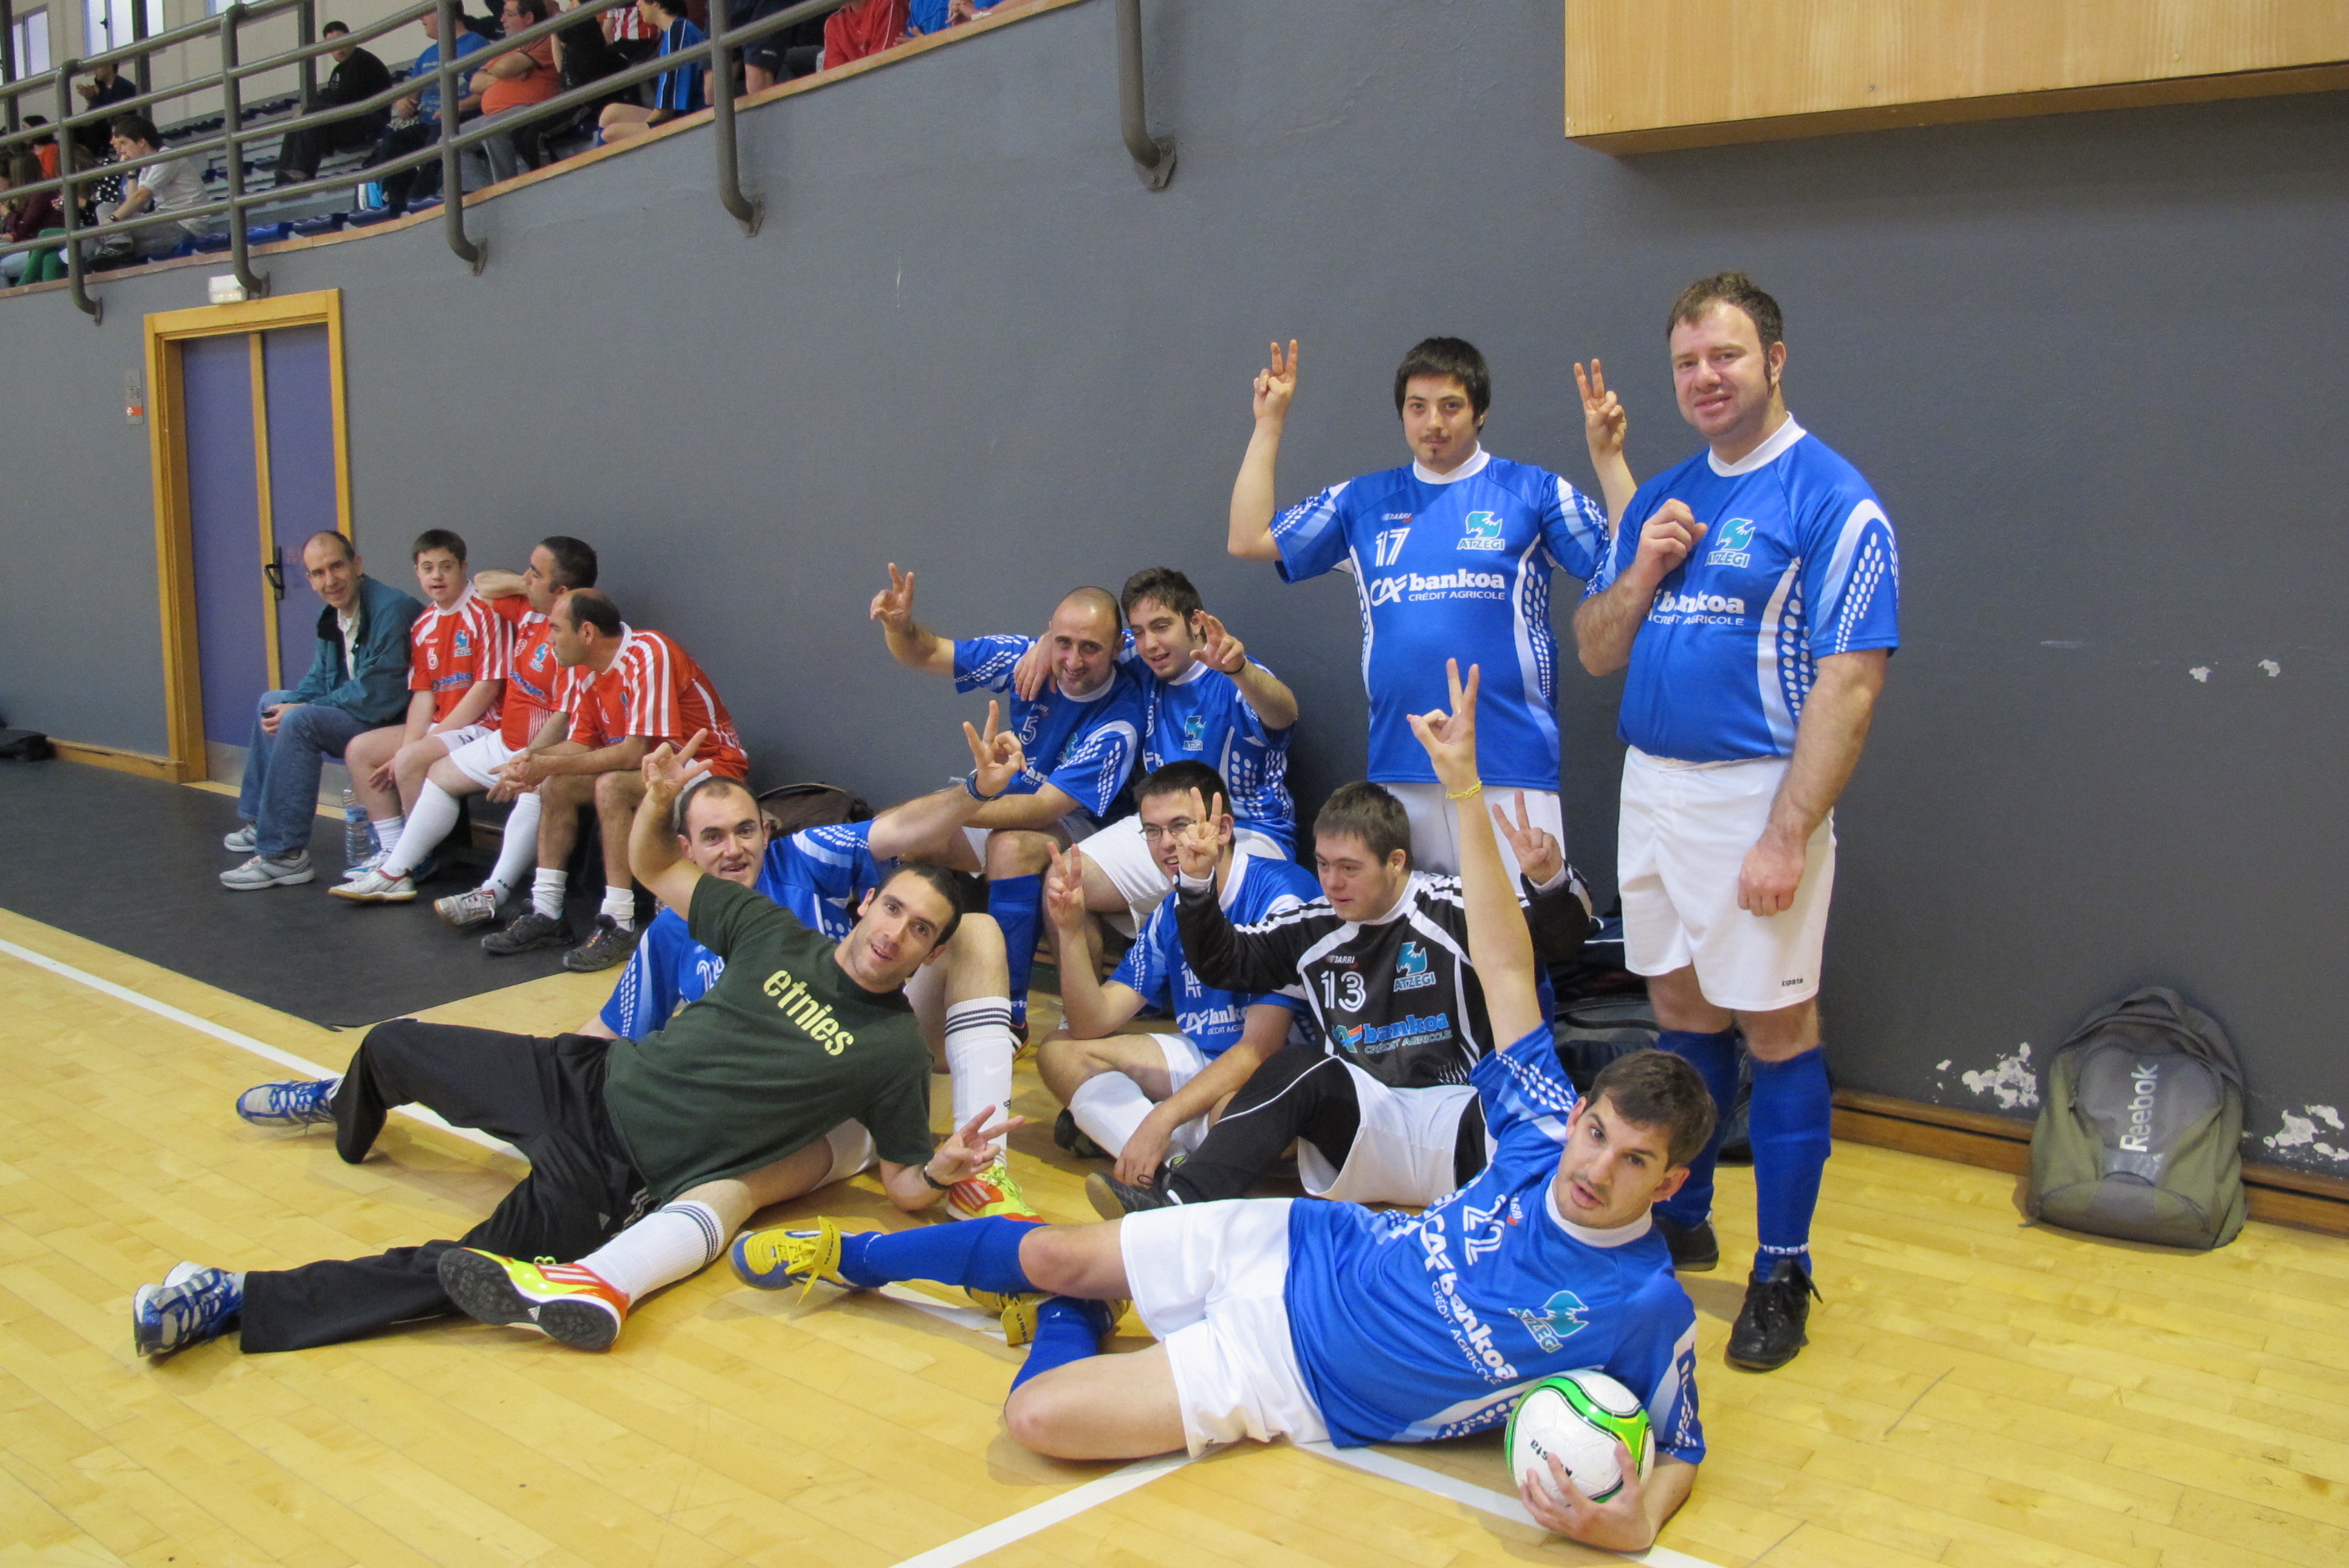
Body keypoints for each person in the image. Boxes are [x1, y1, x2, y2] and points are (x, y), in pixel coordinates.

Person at [729, 662, 1707, 1555]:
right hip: (1302, 1244)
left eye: (1631, 1159)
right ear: (1580, 1111)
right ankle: (850, 1252)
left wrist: (1638, 1520)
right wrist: (1460, 786)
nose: (1592, 1164)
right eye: (1596, 1132)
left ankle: (1073, 1314)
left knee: (1039, 1418)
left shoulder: (1645, 1304)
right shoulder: (1540, 1122)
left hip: (1289, 1372)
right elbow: (1506, 966)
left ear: (1667, 1183)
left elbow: (1683, 1447)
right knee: (1054, 1248)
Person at [132, 732, 1014, 1360]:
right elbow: (654, 868)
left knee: (457, 1269)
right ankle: (347, 1115)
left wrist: (943, 1170)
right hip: (581, 1079)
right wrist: (656, 799)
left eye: (920, 930)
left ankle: (231, 1298)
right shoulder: (765, 927)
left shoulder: (891, 1053)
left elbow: (902, 1184)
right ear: (866, 905)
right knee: (393, 1044)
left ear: (930, 955)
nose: (896, 932)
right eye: (892, 908)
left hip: (619, 1173)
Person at [1572, 272, 1899, 1372]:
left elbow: (1851, 684)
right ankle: (1684, 1212)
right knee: (1680, 1010)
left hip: (1753, 793)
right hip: (1652, 786)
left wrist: (1786, 833)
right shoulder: (1664, 495)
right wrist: (1645, 567)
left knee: (1777, 1028)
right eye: (1687, 362)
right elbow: (1597, 648)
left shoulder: (1833, 498)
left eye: (1726, 355)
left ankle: (1783, 1267)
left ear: (1774, 359)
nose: (1705, 377)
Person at [1087, 713, 1593, 1218]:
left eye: (1349, 868)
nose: (1331, 883)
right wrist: (1197, 886)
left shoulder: (1455, 907)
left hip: (1463, 1116)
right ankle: (1177, 1206)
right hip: (1365, 1123)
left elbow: (1560, 939)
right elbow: (1223, 963)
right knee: (1294, 1068)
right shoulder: (1311, 925)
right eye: (1324, 865)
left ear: (1396, 862)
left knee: (1534, 1124)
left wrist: (1550, 883)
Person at [591, 702, 1038, 1220]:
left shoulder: (802, 856)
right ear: (685, 848)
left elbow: (900, 829)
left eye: (745, 830)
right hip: (788, 1111)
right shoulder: (672, 929)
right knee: (722, 1193)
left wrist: (975, 791)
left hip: (879, 1058)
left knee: (976, 929)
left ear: (766, 830)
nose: (733, 850)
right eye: (713, 837)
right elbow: (608, 1034)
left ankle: (985, 1172)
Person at [1226, 338, 1635, 878]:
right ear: (1402, 414)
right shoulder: (1362, 502)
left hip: (1509, 765)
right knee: (1417, 932)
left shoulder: (1534, 492)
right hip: (1401, 766)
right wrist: (1269, 422)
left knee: (1519, 924)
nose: (1433, 422)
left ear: (1480, 411)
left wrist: (1609, 458)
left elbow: (1630, 558)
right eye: (1417, 407)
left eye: (1451, 406)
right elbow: (1248, 538)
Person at [869, 564, 1146, 1035]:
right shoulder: (1026, 658)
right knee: (897, 833)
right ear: (1049, 634)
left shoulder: (1121, 717)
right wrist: (900, 627)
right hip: (1008, 797)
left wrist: (958, 805)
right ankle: (879, 985)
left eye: (1090, 647)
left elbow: (1044, 809)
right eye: (1063, 642)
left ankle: (1007, 1014)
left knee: (1010, 847)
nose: (1072, 660)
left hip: (1080, 822)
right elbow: (926, 652)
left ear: (1118, 647)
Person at [1036, 761, 1319, 1183]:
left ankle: (1126, 1131)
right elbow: (1090, 1023)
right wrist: (1071, 930)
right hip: (1205, 1057)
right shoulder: (1170, 910)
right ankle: (1173, 1166)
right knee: (1060, 1052)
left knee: (1232, 1113)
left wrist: (1161, 1118)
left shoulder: (1282, 894)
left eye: (1180, 826)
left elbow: (1258, 1051)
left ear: (1222, 828)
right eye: (1153, 831)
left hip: (1274, 1070)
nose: (1166, 843)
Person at [1017, 567, 1298, 945]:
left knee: (1197, 889)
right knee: (1065, 880)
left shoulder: (1234, 674)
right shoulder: (1144, 664)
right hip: (1163, 830)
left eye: (1161, 627)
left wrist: (1240, 670)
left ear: (1195, 622)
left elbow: (1284, 714)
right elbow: (1086, 642)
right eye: (1139, 632)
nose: (1149, 644)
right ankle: (1088, 989)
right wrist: (1046, 643)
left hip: (1246, 834)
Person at [482, 588, 750, 972]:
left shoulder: (649, 652)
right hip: (656, 772)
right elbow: (581, 743)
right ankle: (546, 911)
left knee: (611, 786)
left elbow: (632, 753)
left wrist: (547, 764)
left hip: (709, 768)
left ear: (586, 632)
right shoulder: (583, 668)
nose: (549, 639)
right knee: (557, 785)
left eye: (555, 628)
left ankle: (620, 922)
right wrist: (531, 762)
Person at [223, 533, 424, 891]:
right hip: (359, 713)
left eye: (336, 567)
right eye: (318, 573)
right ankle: (260, 822)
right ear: (311, 579)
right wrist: (294, 702)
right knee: (272, 703)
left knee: (300, 719)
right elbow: (320, 678)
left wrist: (304, 707)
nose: (330, 581)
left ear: (357, 565)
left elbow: (380, 693)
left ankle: (284, 856)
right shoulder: (330, 615)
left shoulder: (392, 609)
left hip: (393, 721)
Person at [333, 530, 511, 902]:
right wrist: (409, 746)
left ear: (463, 567)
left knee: (411, 759)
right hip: (442, 727)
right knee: (361, 750)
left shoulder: (485, 612)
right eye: (427, 568)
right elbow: (423, 695)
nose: (437, 576)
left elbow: (487, 688)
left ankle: (416, 860)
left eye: (446, 567)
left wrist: (419, 748)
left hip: (484, 727)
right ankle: (393, 849)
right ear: (416, 572)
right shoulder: (423, 624)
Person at [361, 12, 488, 212]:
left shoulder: (476, 44)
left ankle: (418, 203)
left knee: (436, 142)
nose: (421, 19)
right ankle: (399, 204)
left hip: (461, 119)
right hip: (429, 123)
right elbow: (413, 93)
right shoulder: (428, 54)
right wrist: (404, 101)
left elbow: (489, 90)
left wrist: (457, 106)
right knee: (391, 144)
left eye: (427, 12)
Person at [273, 22, 395, 186]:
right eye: (332, 45)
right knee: (297, 122)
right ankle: (282, 176)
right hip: (348, 118)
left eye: (341, 42)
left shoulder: (363, 61)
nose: (338, 49)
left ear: (352, 40)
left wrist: (311, 110)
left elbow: (346, 96)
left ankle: (302, 171)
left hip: (369, 118)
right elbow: (332, 96)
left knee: (312, 114)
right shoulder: (339, 70)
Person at [91, 114, 208, 262]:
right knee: (105, 210)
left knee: (105, 233)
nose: (121, 150)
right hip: (164, 221)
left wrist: (112, 221)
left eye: (124, 143)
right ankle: (118, 246)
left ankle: (118, 247)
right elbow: (135, 205)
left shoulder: (166, 156)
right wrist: (131, 171)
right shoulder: (147, 166)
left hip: (182, 224)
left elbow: (141, 197)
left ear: (141, 142)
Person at [469, 0, 560, 186]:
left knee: (492, 128)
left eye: (509, 15)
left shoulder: (544, 38)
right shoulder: (511, 47)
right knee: (449, 141)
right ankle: (476, 193)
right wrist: (505, 77)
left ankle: (505, 189)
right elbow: (475, 83)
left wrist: (500, 72)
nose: (502, 20)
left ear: (529, 18)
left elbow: (505, 68)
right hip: (496, 114)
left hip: (532, 106)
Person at [596, 0, 703, 144]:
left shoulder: (679, 32)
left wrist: (645, 125)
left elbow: (667, 108)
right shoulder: (672, 32)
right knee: (611, 112)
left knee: (611, 133)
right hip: (675, 115)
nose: (638, 4)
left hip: (689, 117)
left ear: (657, 3)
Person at [2, 151, 63, 286]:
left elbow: (24, 227)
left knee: (1, 268)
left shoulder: (41, 192)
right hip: (30, 244)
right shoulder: (30, 195)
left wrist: (6, 213)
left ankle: (15, 295)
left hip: (42, 246)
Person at [71, 62, 138, 158]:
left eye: (98, 67)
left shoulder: (125, 87)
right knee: (73, 131)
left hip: (117, 126)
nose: (95, 70)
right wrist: (90, 98)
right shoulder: (102, 89)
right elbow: (94, 110)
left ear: (109, 66)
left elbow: (111, 113)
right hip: (104, 126)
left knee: (95, 129)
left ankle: (92, 161)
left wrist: (93, 98)